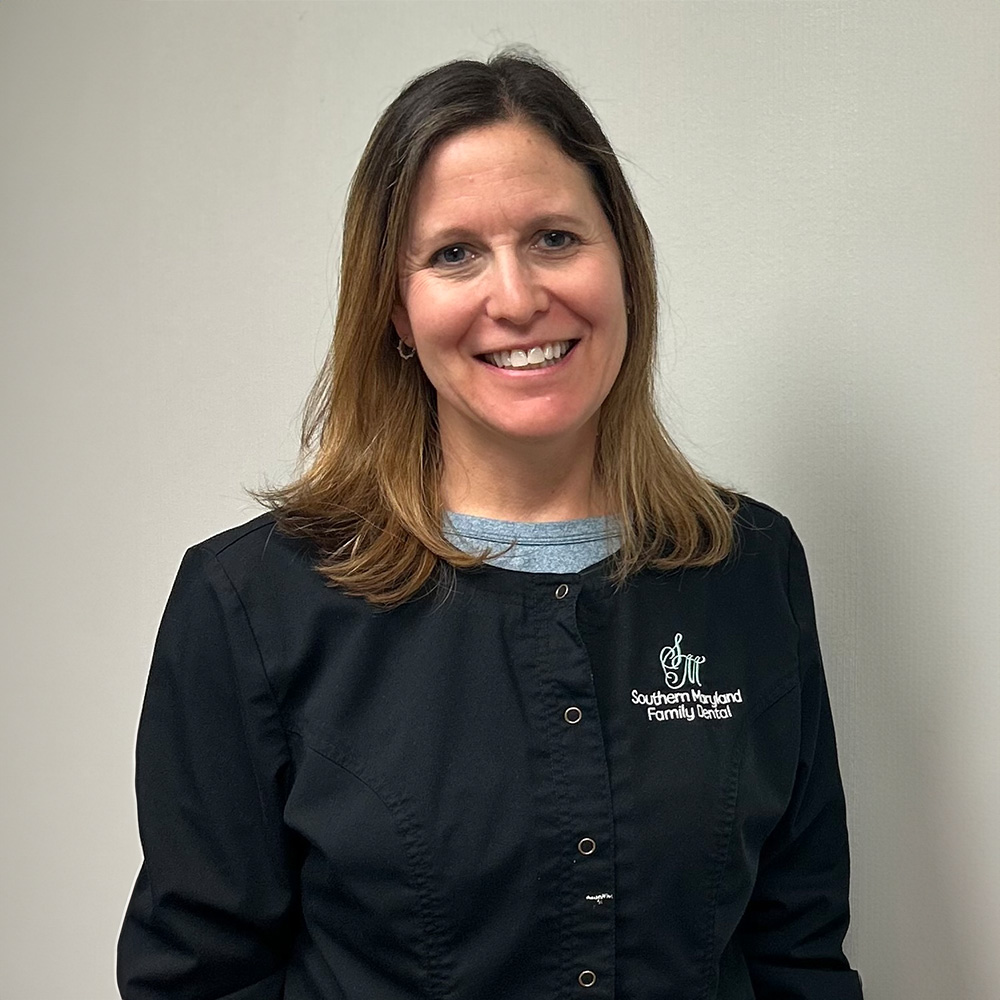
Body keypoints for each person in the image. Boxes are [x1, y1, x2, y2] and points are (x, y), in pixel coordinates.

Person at [118, 50, 864, 1000]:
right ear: (395, 306)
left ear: (624, 265)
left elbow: (797, 952)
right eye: (453, 253)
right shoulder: (250, 605)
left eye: (555, 237)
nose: (515, 298)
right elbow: (197, 981)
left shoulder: (750, 567)